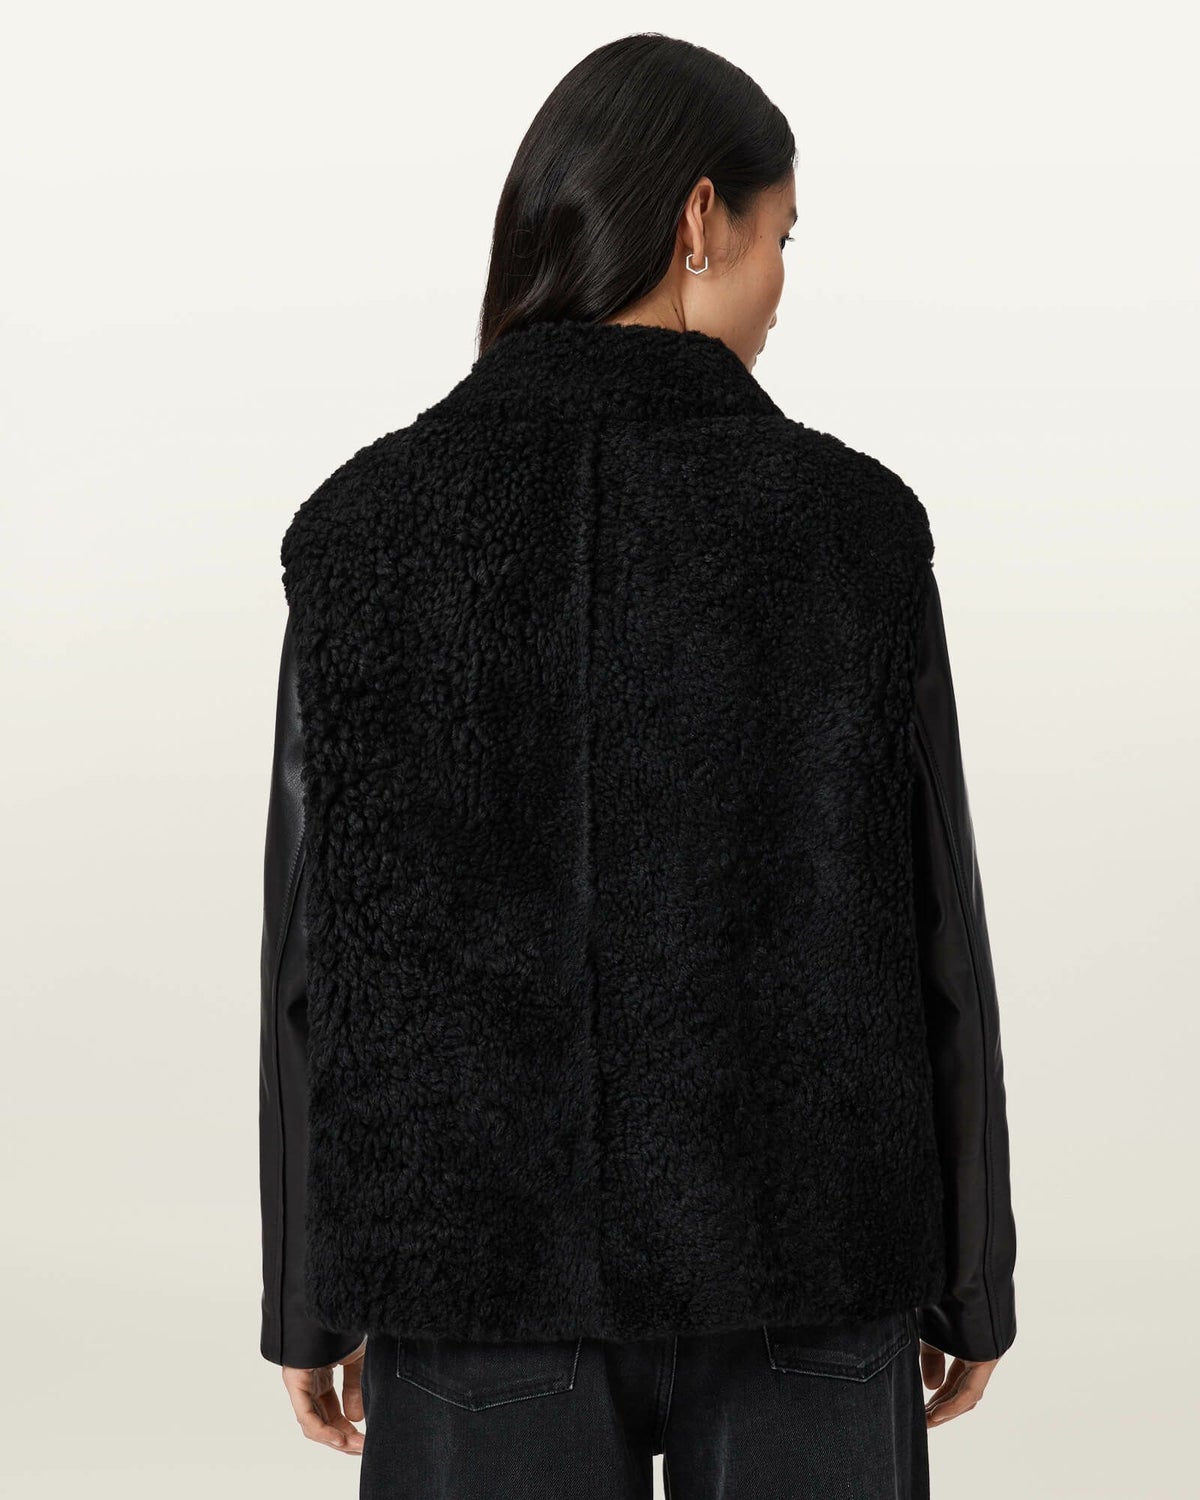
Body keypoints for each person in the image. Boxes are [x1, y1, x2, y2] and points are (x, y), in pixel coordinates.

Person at [257, 32, 1017, 1500]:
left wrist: (307, 1294)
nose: (784, 285)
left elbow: (312, 948)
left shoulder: (362, 532)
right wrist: (971, 1278)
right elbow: (944, 929)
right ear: (698, 221)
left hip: (477, 1281)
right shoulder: (852, 529)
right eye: (782, 237)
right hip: (808, 1267)